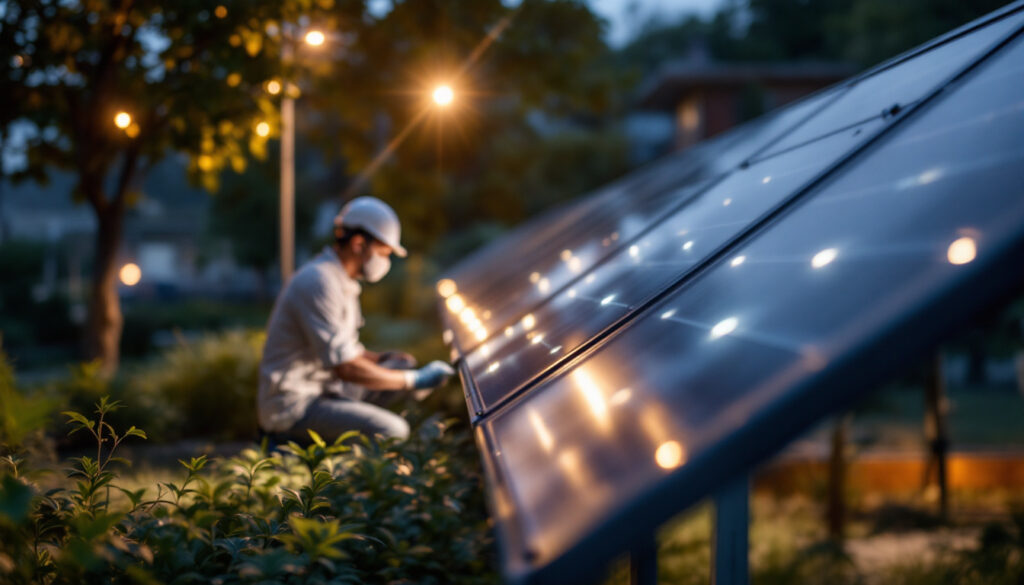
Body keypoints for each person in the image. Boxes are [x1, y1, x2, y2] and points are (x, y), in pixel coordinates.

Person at [258, 196, 454, 443]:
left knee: (399, 369)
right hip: (296, 406)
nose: (385, 262)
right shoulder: (319, 281)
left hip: (325, 389)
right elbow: (346, 367)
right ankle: (352, 465)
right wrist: (413, 380)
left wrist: (381, 359)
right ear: (359, 244)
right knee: (392, 430)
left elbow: (346, 350)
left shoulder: (342, 282)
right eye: (383, 253)